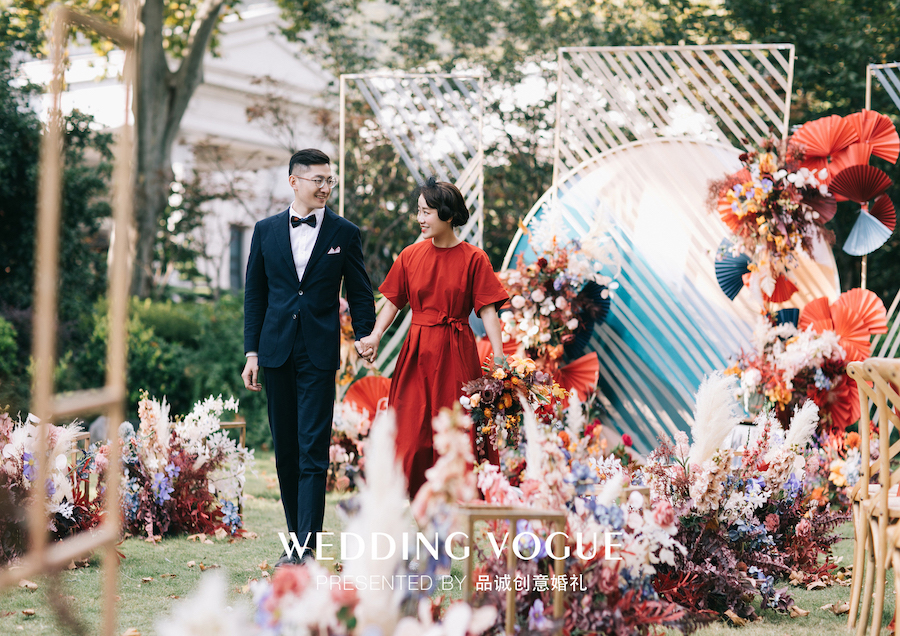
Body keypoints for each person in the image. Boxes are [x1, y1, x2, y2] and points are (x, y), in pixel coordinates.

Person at [242, 149, 375, 566]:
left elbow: (360, 291)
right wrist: (251, 352)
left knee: (313, 450)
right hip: (276, 351)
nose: (325, 187)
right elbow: (255, 295)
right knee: (285, 451)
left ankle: (304, 549)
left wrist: (366, 335)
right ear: (294, 181)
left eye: (329, 180)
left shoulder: (344, 232)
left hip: (319, 353)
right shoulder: (264, 231)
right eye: (318, 179)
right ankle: (296, 539)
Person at [358, 178, 507, 498]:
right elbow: (393, 302)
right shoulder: (409, 255)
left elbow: (488, 310)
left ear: (448, 215)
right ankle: (412, 500)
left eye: (426, 212)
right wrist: (375, 336)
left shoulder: (474, 258)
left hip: (457, 353)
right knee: (410, 432)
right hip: (417, 353)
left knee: (456, 428)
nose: (420, 219)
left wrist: (499, 356)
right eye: (418, 211)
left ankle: (459, 500)